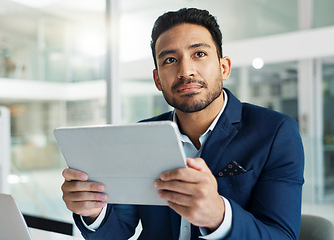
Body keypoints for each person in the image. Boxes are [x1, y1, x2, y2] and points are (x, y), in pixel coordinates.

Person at [61, 8, 304, 240]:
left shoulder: (276, 132)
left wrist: (219, 216)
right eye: (169, 60)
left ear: (224, 67)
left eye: (199, 54)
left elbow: (281, 235)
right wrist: (93, 211)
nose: (185, 71)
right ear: (158, 79)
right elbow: (117, 231)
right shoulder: (142, 136)